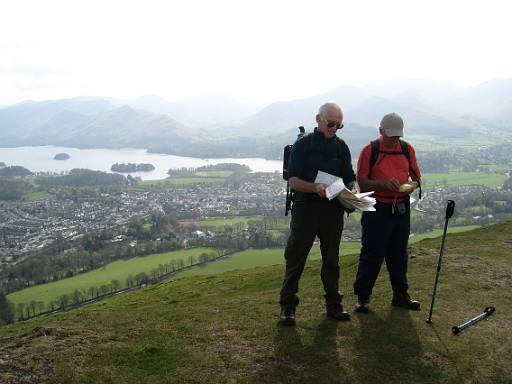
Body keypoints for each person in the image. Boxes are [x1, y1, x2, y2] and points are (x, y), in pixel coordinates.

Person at [279, 101, 356, 326]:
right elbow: (293, 181)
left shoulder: (342, 147)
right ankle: (287, 308)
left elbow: (349, 176)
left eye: (339, 126)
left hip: (333, 208)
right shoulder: (304, 145)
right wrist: (315, 187)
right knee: (296, 258)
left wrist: (354, 189)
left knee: (331, 259)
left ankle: (334, 306)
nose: (334, 129)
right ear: (318, 119)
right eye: (331, 123)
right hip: (306, 207)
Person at [353, 112, 421, 313]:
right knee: (372, 253)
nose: (394, 140)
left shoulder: (407, 149)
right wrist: (382, 183)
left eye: (397, 136)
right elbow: (362, 181)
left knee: (399, 253)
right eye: (390, 136)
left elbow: (416, 177)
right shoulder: (370, 150)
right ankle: (363, 297)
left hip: (401, 206)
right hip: (376, 207)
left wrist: (412, 185)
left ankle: (400, 294)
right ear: (381, 131)